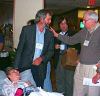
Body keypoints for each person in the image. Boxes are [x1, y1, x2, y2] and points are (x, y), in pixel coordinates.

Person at [51, 10, 100, 96]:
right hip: (80, 66)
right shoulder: (84, 31)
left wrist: (99, 73)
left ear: (93, 20)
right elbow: (71, 40)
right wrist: (57, 35)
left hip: (93, 69)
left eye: (85, 20)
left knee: (92, 93)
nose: (83, 22)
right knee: (77, 91)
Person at [14, 9, 54, 88]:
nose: (50, 22)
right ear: (41, 19)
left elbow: (51, 51)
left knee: (38, 89)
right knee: (24, 89)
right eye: (48, 19)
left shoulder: (49, 34)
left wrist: (41, 58)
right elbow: (20, 49)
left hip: (40, 68)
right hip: (25, 66)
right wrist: (16, 67)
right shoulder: (27, 30)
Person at [54, 16, 75, 96]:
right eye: (61, 23)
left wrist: (70, 48)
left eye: (65, 23)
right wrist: (54, 46)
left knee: (69, 80)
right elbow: (49, 46)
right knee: (59, 79)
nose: (63, 25)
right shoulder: (55, 34)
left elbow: (78, 46)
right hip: (59, 58)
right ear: (59, 25)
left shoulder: (73, 33)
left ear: (68, 24)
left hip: (69, 58)